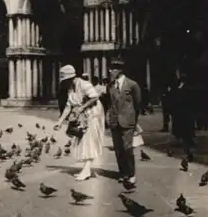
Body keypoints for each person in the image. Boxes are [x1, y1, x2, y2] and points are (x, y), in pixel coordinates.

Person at [54, 64, 105, 181]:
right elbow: (68, 106)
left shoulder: (84, 84)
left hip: (93, 114)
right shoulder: (71, 88)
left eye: (64, 81)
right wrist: (60, 121)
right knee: (82, 140)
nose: (63, 83)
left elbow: (94, 97)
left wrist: (82, 108)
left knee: (88, 141)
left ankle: (87, 170)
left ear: (70, 78)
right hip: (82, 116)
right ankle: (86, 169)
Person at [107, 56, 142, 184]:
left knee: (127, 148)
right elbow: (110, 103)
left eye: (112, 69)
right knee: (118, 149)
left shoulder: (132, 85)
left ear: (119, 70)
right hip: (115, 121)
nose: (110, 71)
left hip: (127, 121)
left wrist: (133, 119)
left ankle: (131, 173)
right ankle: (123, 173)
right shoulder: (111, 86)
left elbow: (138, 104)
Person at [171, 73, 195, 157]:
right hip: (180, 111)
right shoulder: (179, 87)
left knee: (186, 126)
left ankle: (187, 141)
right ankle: (184, 139)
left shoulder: (186, 88)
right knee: (182, 126)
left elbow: (183, 98)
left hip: (185, 111)